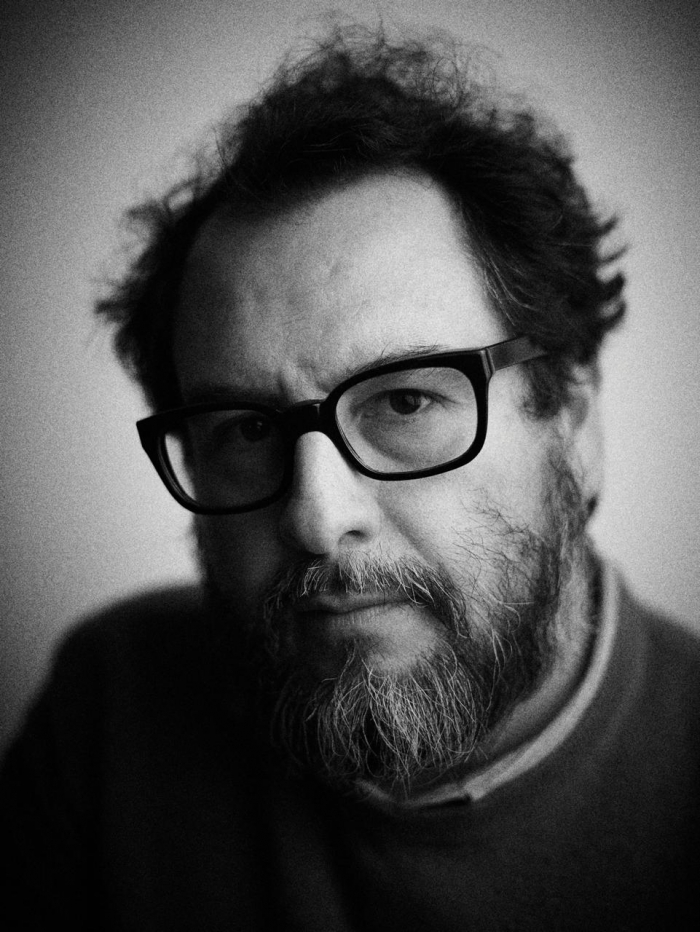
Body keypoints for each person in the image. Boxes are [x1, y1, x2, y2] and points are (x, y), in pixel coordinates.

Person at [2, 26, 699, 931]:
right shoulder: (111, 709)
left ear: (571, 420)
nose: (317, 518)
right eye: (248, 429)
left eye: (405, 403)